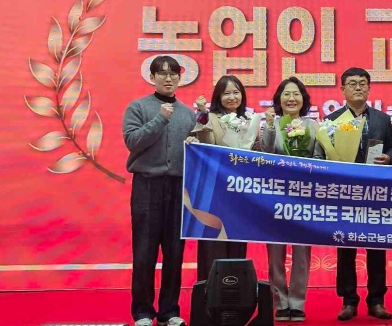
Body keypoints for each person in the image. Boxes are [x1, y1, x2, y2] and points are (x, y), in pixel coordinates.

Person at [122, 56, 197, 326]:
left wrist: (195, 142)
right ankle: (143, 312)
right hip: (147, 185)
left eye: (173, 73)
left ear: (179, 78)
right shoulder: (138, 107)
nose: (168, 78)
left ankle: (169, 312)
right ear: (152, 77)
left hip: (178, 186)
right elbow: (133, 142)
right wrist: (160, 120)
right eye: (162, 73)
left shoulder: (188, 114)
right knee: (144, 251)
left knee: (175, 252)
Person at [327, 68, 392, 322]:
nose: (358, 87)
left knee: (376, 247)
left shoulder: (382, 119)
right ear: (342, 89)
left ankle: (377, 300)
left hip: (376, 192)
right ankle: (348, 301)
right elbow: (324, 153)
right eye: (352, 83)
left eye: (362, 83)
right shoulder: (332, 119)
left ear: (369, 88)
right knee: (346, 248)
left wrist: (389, 157)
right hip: (345, 193)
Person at [260, 76, 324, 322]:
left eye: (296, 94)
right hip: (275, 197)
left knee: (301, 253)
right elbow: (264, 153)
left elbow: (320, 158)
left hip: (303, 197)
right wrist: (269, 126)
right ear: (279, 99)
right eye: (286, 94)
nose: (291, 98)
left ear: (303, 99)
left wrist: (304, 167)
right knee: (275, 252)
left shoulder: (314, 126)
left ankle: (297, 302)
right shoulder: (272, 124)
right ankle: (280, 301)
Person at [193, 75, 260, 282]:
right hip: (216, 189)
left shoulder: (251, 119)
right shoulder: (211, 117)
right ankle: (210, 289)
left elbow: (258, 151)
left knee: (236, 240)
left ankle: (235, 289)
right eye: (226, 93)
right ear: (218, 97)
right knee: (213, 240)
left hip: (240, 191)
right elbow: (207, 142)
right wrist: (203, 116)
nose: (232, 97)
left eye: (236, 92)